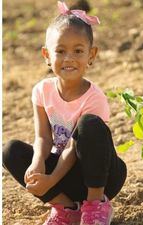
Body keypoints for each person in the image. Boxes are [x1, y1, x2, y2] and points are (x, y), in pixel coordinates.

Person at [2, 1, 127, 225]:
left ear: (92, 54)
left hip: (101, 176)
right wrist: (38, 162)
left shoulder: (94, 98)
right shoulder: (42, 90)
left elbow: (72, 147)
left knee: (89, 124)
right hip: (65, 177)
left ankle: (95, 206)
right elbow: (42, 136)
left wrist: (51, 179)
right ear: (46, 55)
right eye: (60, 51)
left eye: (78, 51)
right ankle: (66, 208)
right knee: (10, 151)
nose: (69, 58)